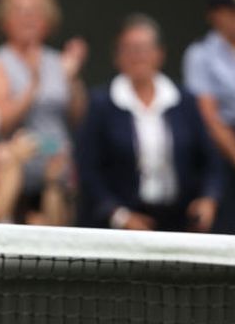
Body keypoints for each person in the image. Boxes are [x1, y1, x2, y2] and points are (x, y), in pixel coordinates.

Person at [77, 14, 219, 232]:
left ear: (159, 54)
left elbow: (211, 160)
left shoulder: (185, 100)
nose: (137, 56)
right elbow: (88, 170)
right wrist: (119, 215)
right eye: (130, 49)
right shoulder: (100, 104)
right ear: (117, 57)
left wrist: (208, 198)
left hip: (179, 222)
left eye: (144, 48)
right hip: (121, 225)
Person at [0, 0, 86, 208]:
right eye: (18, 11)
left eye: (35, 11)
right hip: (17, 172)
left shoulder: (57, 61)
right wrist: (33, 86)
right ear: (5, 20)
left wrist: (73, 78)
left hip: (58, 166)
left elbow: (77, 118)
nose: (27, 17)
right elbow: (1, 122)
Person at [182, 0, 235, 234]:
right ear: (214, 15)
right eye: (231, 12)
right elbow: (209, 116)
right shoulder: (199, 55)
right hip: (220, 150)